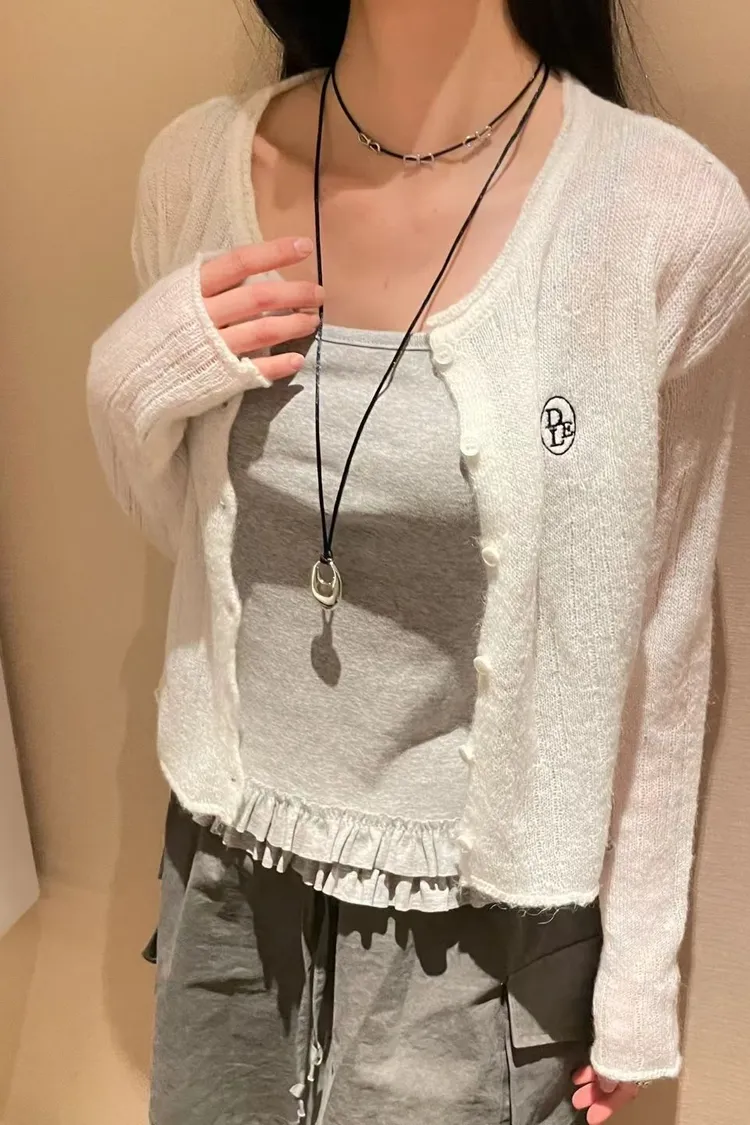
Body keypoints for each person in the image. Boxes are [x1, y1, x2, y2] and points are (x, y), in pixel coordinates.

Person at [86, 1, 750, 1123]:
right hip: (226, 877)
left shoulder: (665, 214)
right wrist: (133, 376)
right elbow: (180, 527)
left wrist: (638, 987)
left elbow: (661, 633)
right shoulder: (194, 169)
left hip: (481, 932)